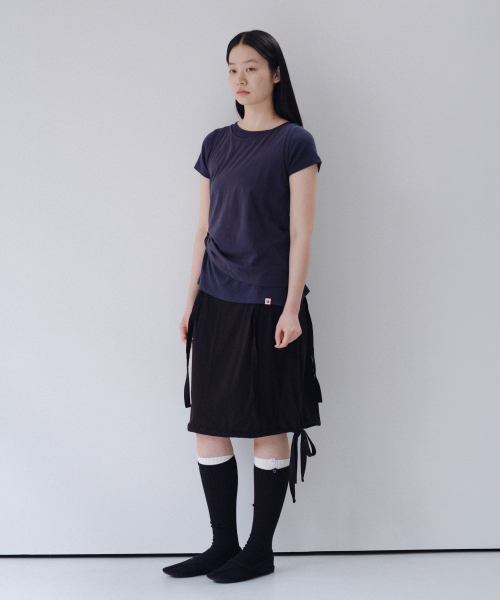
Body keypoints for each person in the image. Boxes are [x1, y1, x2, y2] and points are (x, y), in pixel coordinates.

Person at [163, 29, 323, 584]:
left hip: (268, 303)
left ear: (275, 73)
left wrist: (291, 309)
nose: (240, 78)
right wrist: (190, 302)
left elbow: (301, 234)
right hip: (215, 300)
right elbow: (202, 230)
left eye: (251, 67)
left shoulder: (294, 142)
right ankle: (223, 544)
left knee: (264, 421)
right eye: (232, 68)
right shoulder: (215, 143)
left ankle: (259, 550)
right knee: (209, 423)